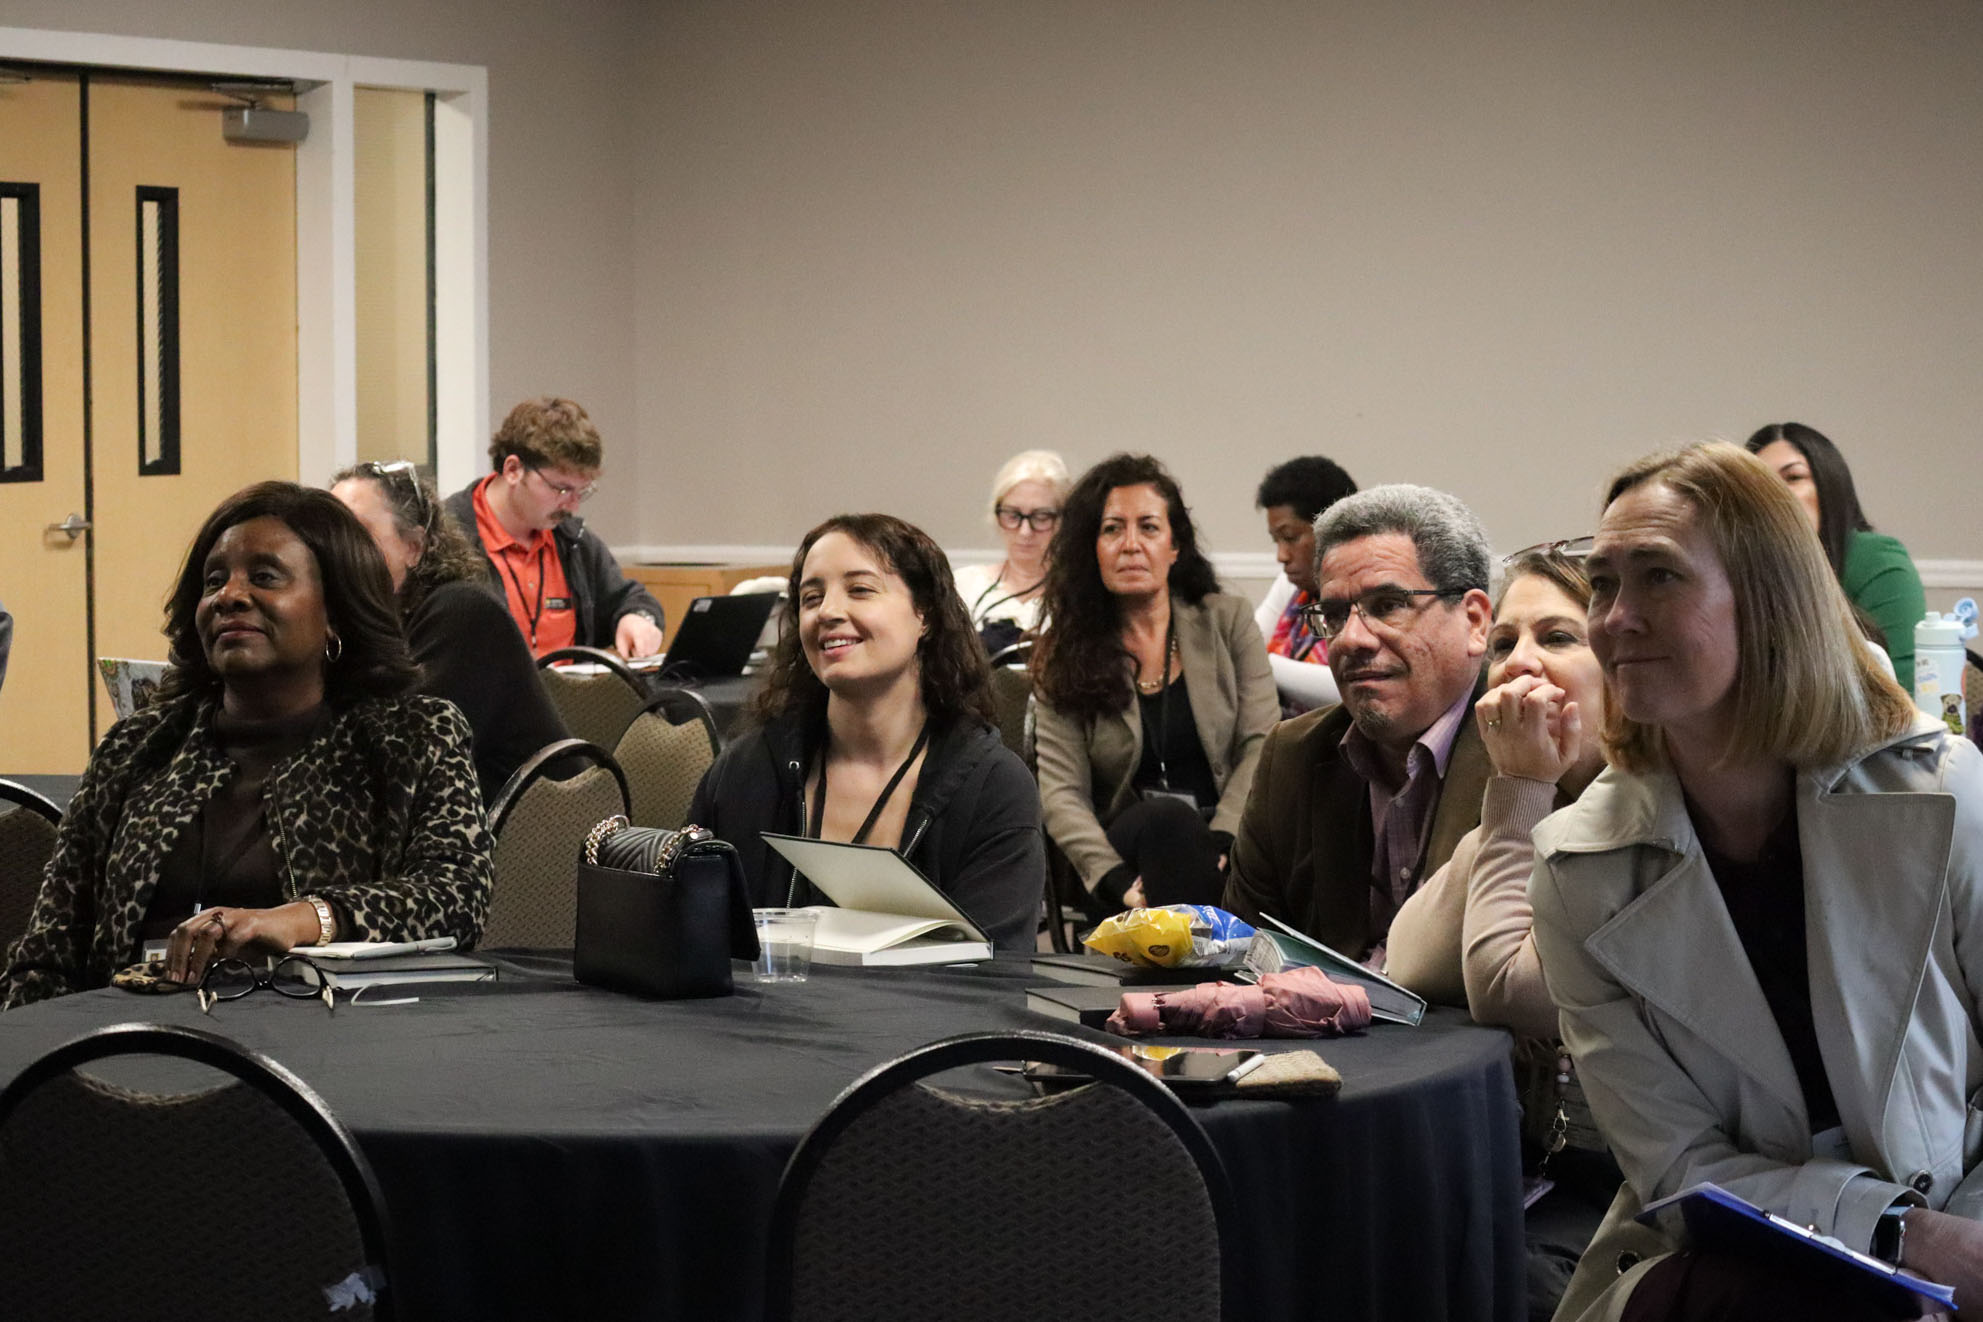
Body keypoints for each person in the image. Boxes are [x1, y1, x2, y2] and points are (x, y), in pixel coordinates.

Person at [1530, 443, 1983, 1321]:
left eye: (1658, 577)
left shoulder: (1943, 793)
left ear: (1770, 603)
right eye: (1601, 584)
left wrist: (1961, 1249)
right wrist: (1898, 1234)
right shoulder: (1574, 870)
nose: (1614, 618)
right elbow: (1674, 1164)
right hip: (1726, 1264)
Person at [0, 483, 493, 1011]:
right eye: (214, 581)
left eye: (264, 577)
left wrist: (304, 919)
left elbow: (455, 895)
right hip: (131, 1047)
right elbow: (47, 953)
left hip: (325, 1054)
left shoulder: (412, 737)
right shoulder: (137, 747)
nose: (229, 596)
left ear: (336, 611)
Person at [1384, 543, 1619, 1316]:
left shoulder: (1650, 810)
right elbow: (1411, 957)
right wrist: (1521, 796)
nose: (1519, 665)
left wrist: (1519, 786)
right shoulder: (1544, 797)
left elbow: (1507, 992)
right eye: (1503, 643)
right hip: (1545, 1165)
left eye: (1557, 638)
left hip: (1651, 1190)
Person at [687, 514, 1044, 951]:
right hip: (755, 1019)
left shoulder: (992, 786)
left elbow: (998, 973)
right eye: (811, 597)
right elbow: (686, 933)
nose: (829, 612)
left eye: (860, 589)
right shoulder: (747, 771)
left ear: (924, 614)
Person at [1222, 484, 1493, 963]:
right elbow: (1246, 958)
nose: (1351, 639)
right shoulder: (1294, 755)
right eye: (1333, 613)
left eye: (1387, 605)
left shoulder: (1530, 748)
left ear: (1473, 621)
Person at [1032, 454, 1278, 915]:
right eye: (1112, 530)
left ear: (1174, 546)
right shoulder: (1062, 654)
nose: (1130, 545)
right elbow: (1062, 796)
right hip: (1125, 859)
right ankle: (1210, 977)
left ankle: (1196, 974)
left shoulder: (1227, 621)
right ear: (1093, 548)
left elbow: (1261, 743)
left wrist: (1224, 840)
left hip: (1228, 841)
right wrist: (1119, 882)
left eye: (1148, 527)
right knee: (1167, 821)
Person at [332, 460, 572, 804]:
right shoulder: (363, 627)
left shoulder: (461, 612)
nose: (335, 551)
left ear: (413, 548)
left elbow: (401, 767)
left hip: (529, 841)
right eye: (327, 537)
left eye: (357, 534)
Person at [444, 396, 666, 659]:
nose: (572, 507)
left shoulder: (572, 540)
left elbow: (631, 598)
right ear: (513, 469)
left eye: (581, 491)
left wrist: (637, 618)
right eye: (561, 489)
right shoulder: (444, 539)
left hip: (571, 697)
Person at [1745, 422, 1927, 691]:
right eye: (1759, 484)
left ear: (1828, 485)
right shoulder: (1737, 571)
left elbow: (1900, 692)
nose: (1774, 494)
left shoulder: (1875, 559)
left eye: (1793, 478)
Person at [1254, 455, 1358, 715]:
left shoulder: (1369, 593)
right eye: (1276, 540)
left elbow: (1350, 687)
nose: (1281, 555)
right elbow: (1248, 644)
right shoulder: (1294, 586)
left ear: (1333, 530)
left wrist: (1266, 666)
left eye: (1290, 538)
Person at [950, 449, 1069, 657]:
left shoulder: (1077, 596)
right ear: (996, 515)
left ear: (1062, 520)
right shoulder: (965, 587)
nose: (1025, 531)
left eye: (1041, 517)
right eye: (1013, 515)